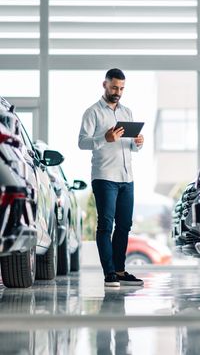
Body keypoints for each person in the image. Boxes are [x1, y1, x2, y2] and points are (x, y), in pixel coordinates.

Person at [78, 68, 144, 287]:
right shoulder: (92, 112)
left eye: (122, 88)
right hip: (105, 177)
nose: (118, 92)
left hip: (127, 176)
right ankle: (109, 273)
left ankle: (120, 270)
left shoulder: (127, 112)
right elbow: (82, 142)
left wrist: (137, 144)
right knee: (105, 226)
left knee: (124, 225)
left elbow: (129, 146)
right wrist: (104, 138)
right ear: (104, 85)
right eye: (115, 87)